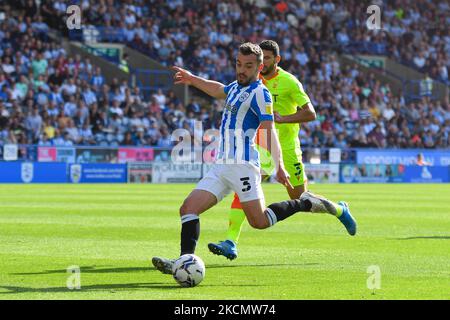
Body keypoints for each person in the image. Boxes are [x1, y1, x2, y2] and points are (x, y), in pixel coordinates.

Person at [152, 43, 357, 274]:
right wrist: (192, 79)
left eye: (248, 66)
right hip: (221, 166)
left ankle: (305, 203)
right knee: (188, 208)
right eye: (239, 64)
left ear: (259, 67)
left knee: (259, 222)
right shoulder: (236, 86)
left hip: (244, 166)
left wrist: (279, 166)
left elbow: (269, 130)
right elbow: (219, 89)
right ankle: (183, 261)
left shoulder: (261, 93)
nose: (242, 70)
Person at [208, 40, 357, 260]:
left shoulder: (289, 82)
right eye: (262, 58)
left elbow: (311, 113)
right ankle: (231, 241)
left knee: (301, 199)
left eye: (268, 58)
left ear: (276, 60)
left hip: (286, 148)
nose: (263, 63)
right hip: (260, 146)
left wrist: (284, 118)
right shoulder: (252, 80)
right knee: (244, 186)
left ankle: (339, 209)